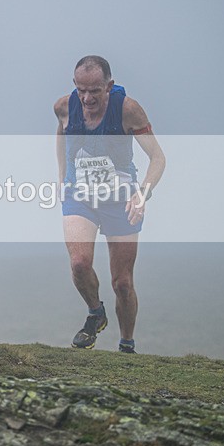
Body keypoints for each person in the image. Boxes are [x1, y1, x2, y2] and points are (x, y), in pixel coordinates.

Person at [54, 56, 165, 353]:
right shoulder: (64, 106)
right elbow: (62, 132)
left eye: (95, 91)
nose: (87, 98)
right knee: (79, 263)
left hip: (121, 199)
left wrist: (142, 194)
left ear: (109, 86)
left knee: (123, 283)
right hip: (80, 195)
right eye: (81, 90)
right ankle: (95, 313)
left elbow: (158, 158)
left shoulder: (127, 109)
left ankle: (126, 344)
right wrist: (63, 177)